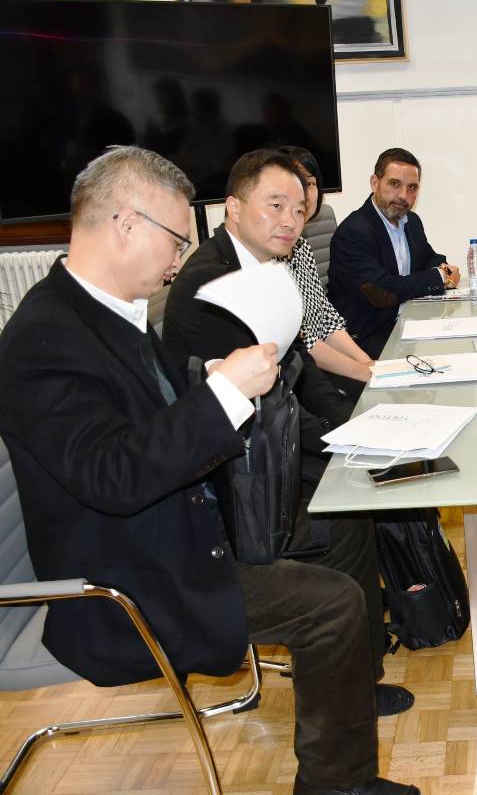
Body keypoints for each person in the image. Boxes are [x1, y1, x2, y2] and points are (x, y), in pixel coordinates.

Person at [0, 146, 420, 795]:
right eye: (173, 240)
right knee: (332, 602)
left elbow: (158, 428)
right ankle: (337, 786)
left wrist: (216, 386)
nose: (177, 261)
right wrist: (225, 394)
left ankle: (340, 750)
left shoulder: (105, 316)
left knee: (339, 537)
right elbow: (115, 477)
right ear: (125, 224)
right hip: (131, 582)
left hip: (184, 534)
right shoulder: (40, 341)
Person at [163, 149, 412, 720]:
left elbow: (298, 366)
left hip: (271, 448)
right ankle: (350, 681)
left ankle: (356, 671)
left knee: (359, 495)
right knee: (350, 502)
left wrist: (348, 428)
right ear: (233, 207)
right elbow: (259, 412)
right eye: (275, 206)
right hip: (232, 475)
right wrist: (340, 443)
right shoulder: (213, 287)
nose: (290, 221)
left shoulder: (270, 268)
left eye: (299, 210)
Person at [328, 147, 460, 358]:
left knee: (457, 350)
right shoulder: (353, 232)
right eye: (394, 184)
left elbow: (427, 257)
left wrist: (442, 266)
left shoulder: (411, 221)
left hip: (408, 325)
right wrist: (439, 276)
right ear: (374, 182)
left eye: (412, 188)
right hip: (368, 335)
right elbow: (382, 292)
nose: (403, 196)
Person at [276, 145, 374, 393]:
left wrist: (368, 364)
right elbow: (301, 341)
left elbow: (326, 320)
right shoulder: (269, 256)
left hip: (320, 363)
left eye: (310, 183)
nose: (305, 194)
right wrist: (362, 371)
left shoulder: (302, 248)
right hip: (296, 377)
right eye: (295, 183)